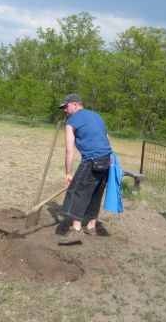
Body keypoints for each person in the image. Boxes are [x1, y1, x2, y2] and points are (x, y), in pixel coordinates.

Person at [58, 94, 112, 245]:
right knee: (95, 192)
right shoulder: (97, 116)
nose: (64, 111)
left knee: (77, 191)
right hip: (107, 159)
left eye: (66, 107)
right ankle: (91, 226)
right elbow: (107, 138)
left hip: (92, 160)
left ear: (75, 105)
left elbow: (69, 151)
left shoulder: (71, 122)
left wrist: (68, 174)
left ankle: (76, 230)